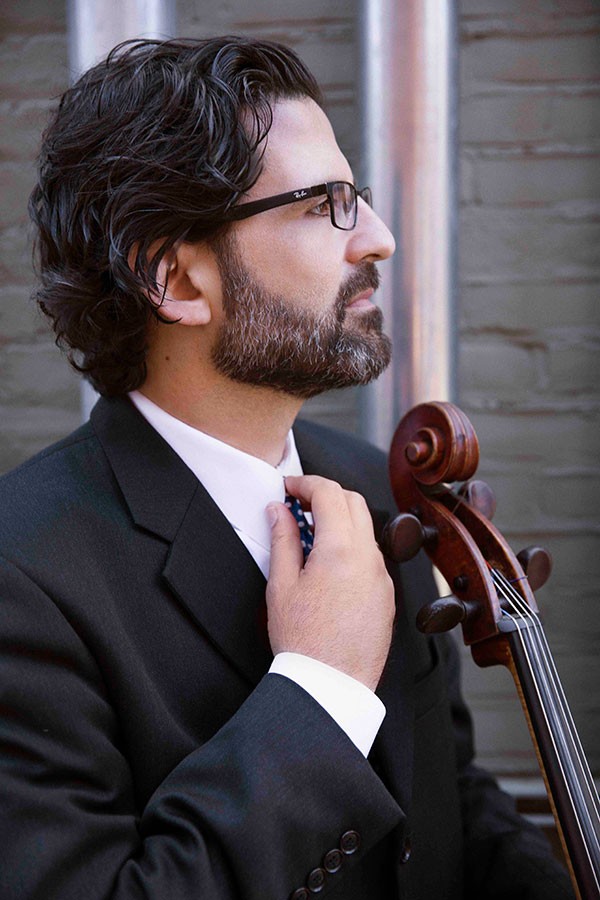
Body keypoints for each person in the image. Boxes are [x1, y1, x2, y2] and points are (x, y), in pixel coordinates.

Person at [0, 37, 573, 900]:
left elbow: (448, 801)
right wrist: (319, 686)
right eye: (323, 206)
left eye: (359, 197)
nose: (377, 239)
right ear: (176, 280)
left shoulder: (378, 491)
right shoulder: (22, 578)